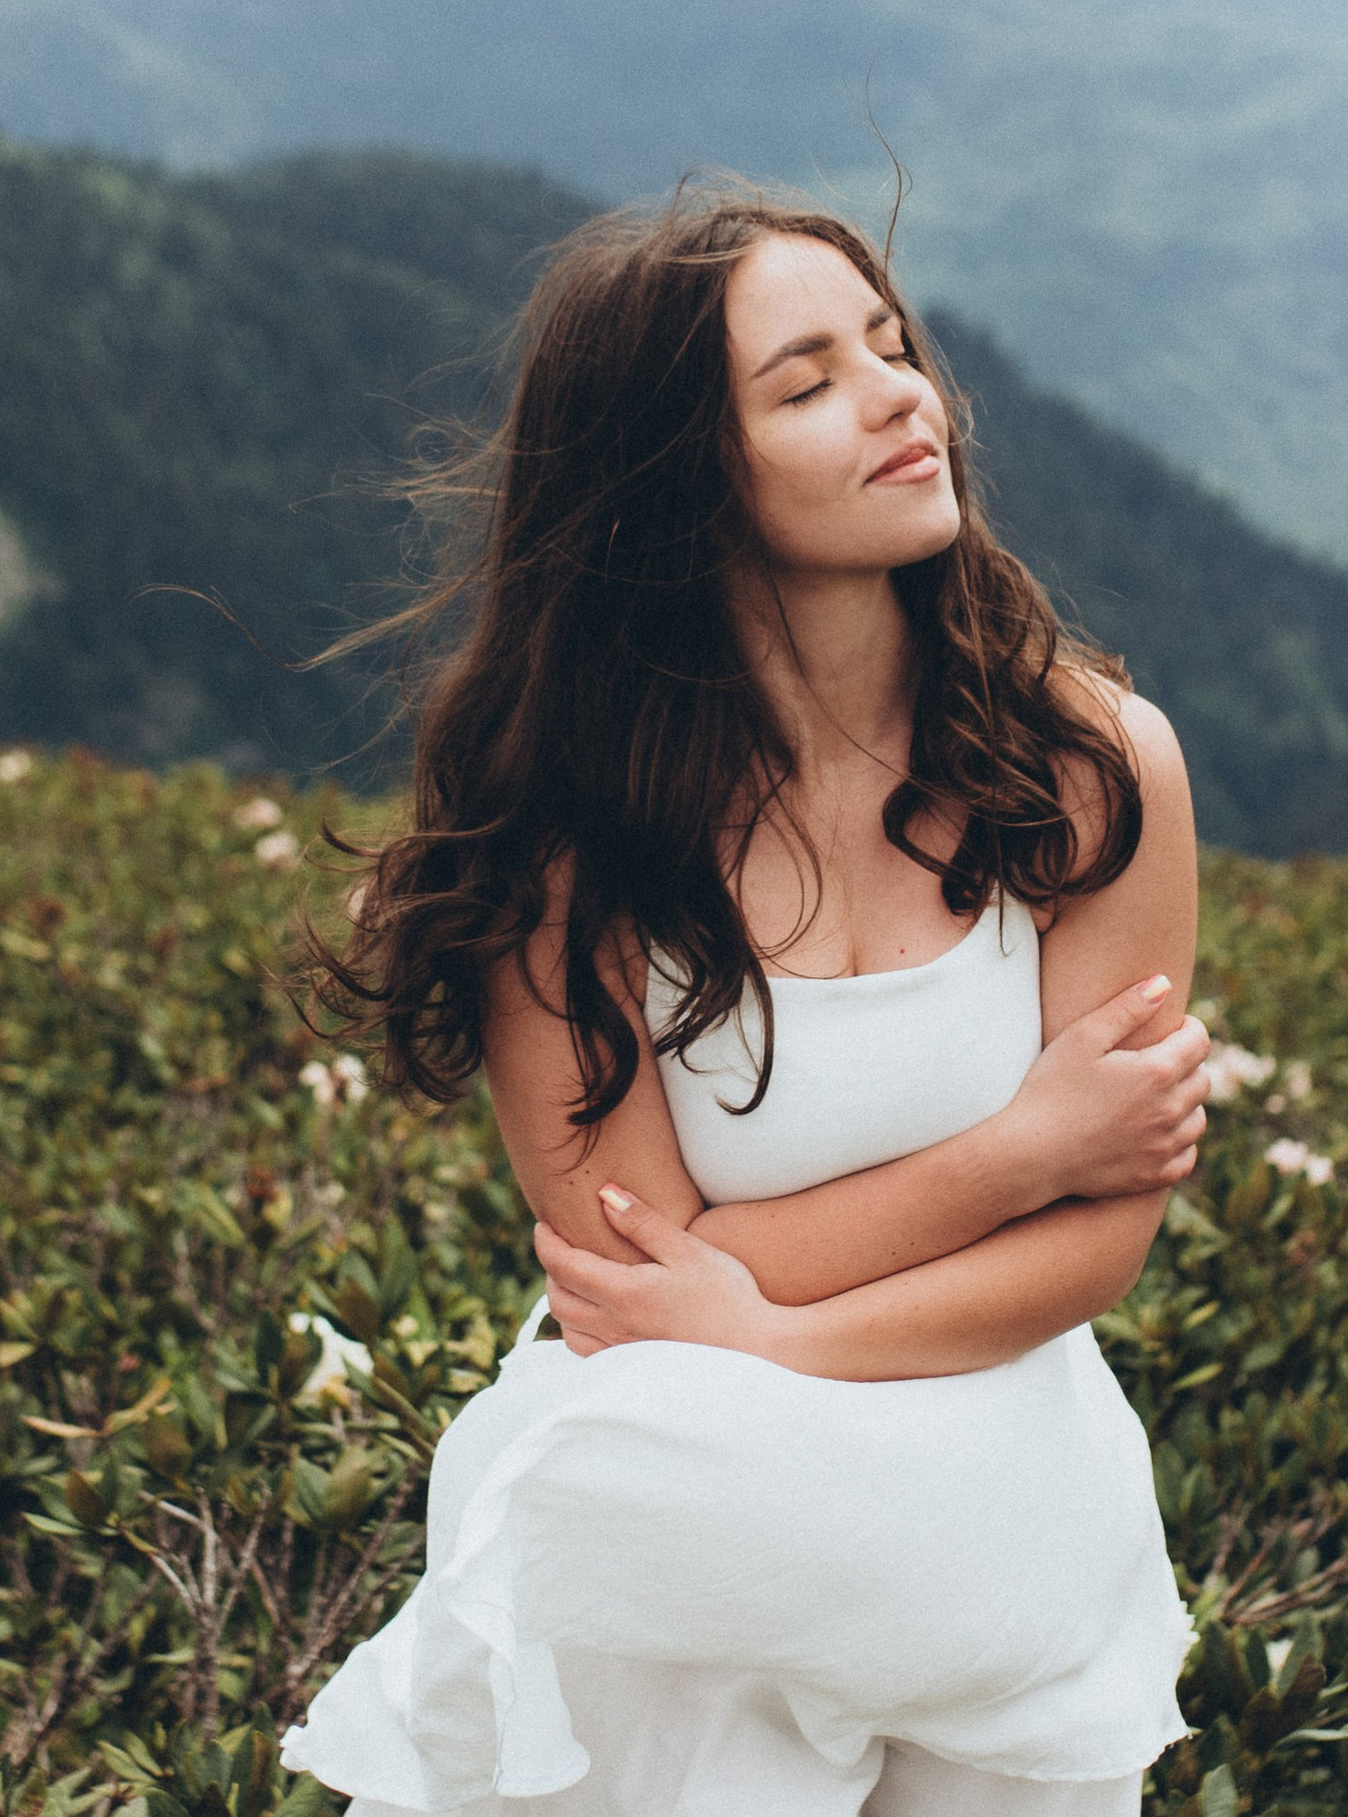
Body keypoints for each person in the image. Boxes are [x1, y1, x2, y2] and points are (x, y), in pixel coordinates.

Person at [285, 184, 1204, 1816]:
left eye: (893, 345)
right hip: (679, 1542)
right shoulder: (562, 845)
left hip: (1000, 1543)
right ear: (679, 480)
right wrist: (1023, 1149)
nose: (904, 395)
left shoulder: (1092, 770)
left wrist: (769, 1327)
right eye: (808, 382)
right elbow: (624, 1277)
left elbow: (1103, 1241)